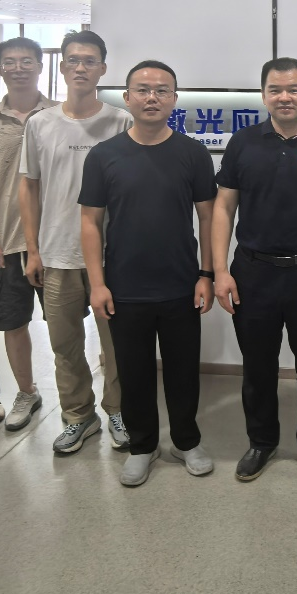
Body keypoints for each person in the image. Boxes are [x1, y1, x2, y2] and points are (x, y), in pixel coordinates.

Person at [80, 60, 217, 487]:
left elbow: (208, 217)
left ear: (174, 99)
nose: (152, 97)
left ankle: (186, 441)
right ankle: (142, 446)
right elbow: (90, 222)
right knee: (133, 372)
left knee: (183, 372)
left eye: (161, 90)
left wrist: (207, 274)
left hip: (181, 285)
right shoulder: (104, 155)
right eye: (142, 89)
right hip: (125, 287)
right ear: (127, 98)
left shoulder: (193, 154)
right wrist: (97, 283)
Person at [213, 57, 297, 483]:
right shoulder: (243, 142)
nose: (285, 97)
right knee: (257, 365)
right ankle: (261, 442)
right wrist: (219, 271)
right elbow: (224, 207)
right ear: (264, 95)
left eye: (294, 89)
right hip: (253, 272)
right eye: (275, 90)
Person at [19, 30, 131, 454]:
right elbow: (29, 187)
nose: (80, 67)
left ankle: (118, 411)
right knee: (64, 346)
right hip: (57, 254)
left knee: (117, 346)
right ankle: (78, 417)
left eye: (89, 61)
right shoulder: (40, 124)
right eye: (73, 60)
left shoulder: (121, 122)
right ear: (62, 67)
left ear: (103, 68)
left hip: (111, 258)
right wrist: (33, 250)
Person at [0, 37, 57, 431]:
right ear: (0, 68)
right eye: (9, 61)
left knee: (66, 327)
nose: (18, 67)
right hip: (5, 245)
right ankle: (26, 391)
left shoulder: (59, 116)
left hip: (55, 245)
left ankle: (79, 402)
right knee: (12, 324)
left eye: (26, 60)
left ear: (40, 65)